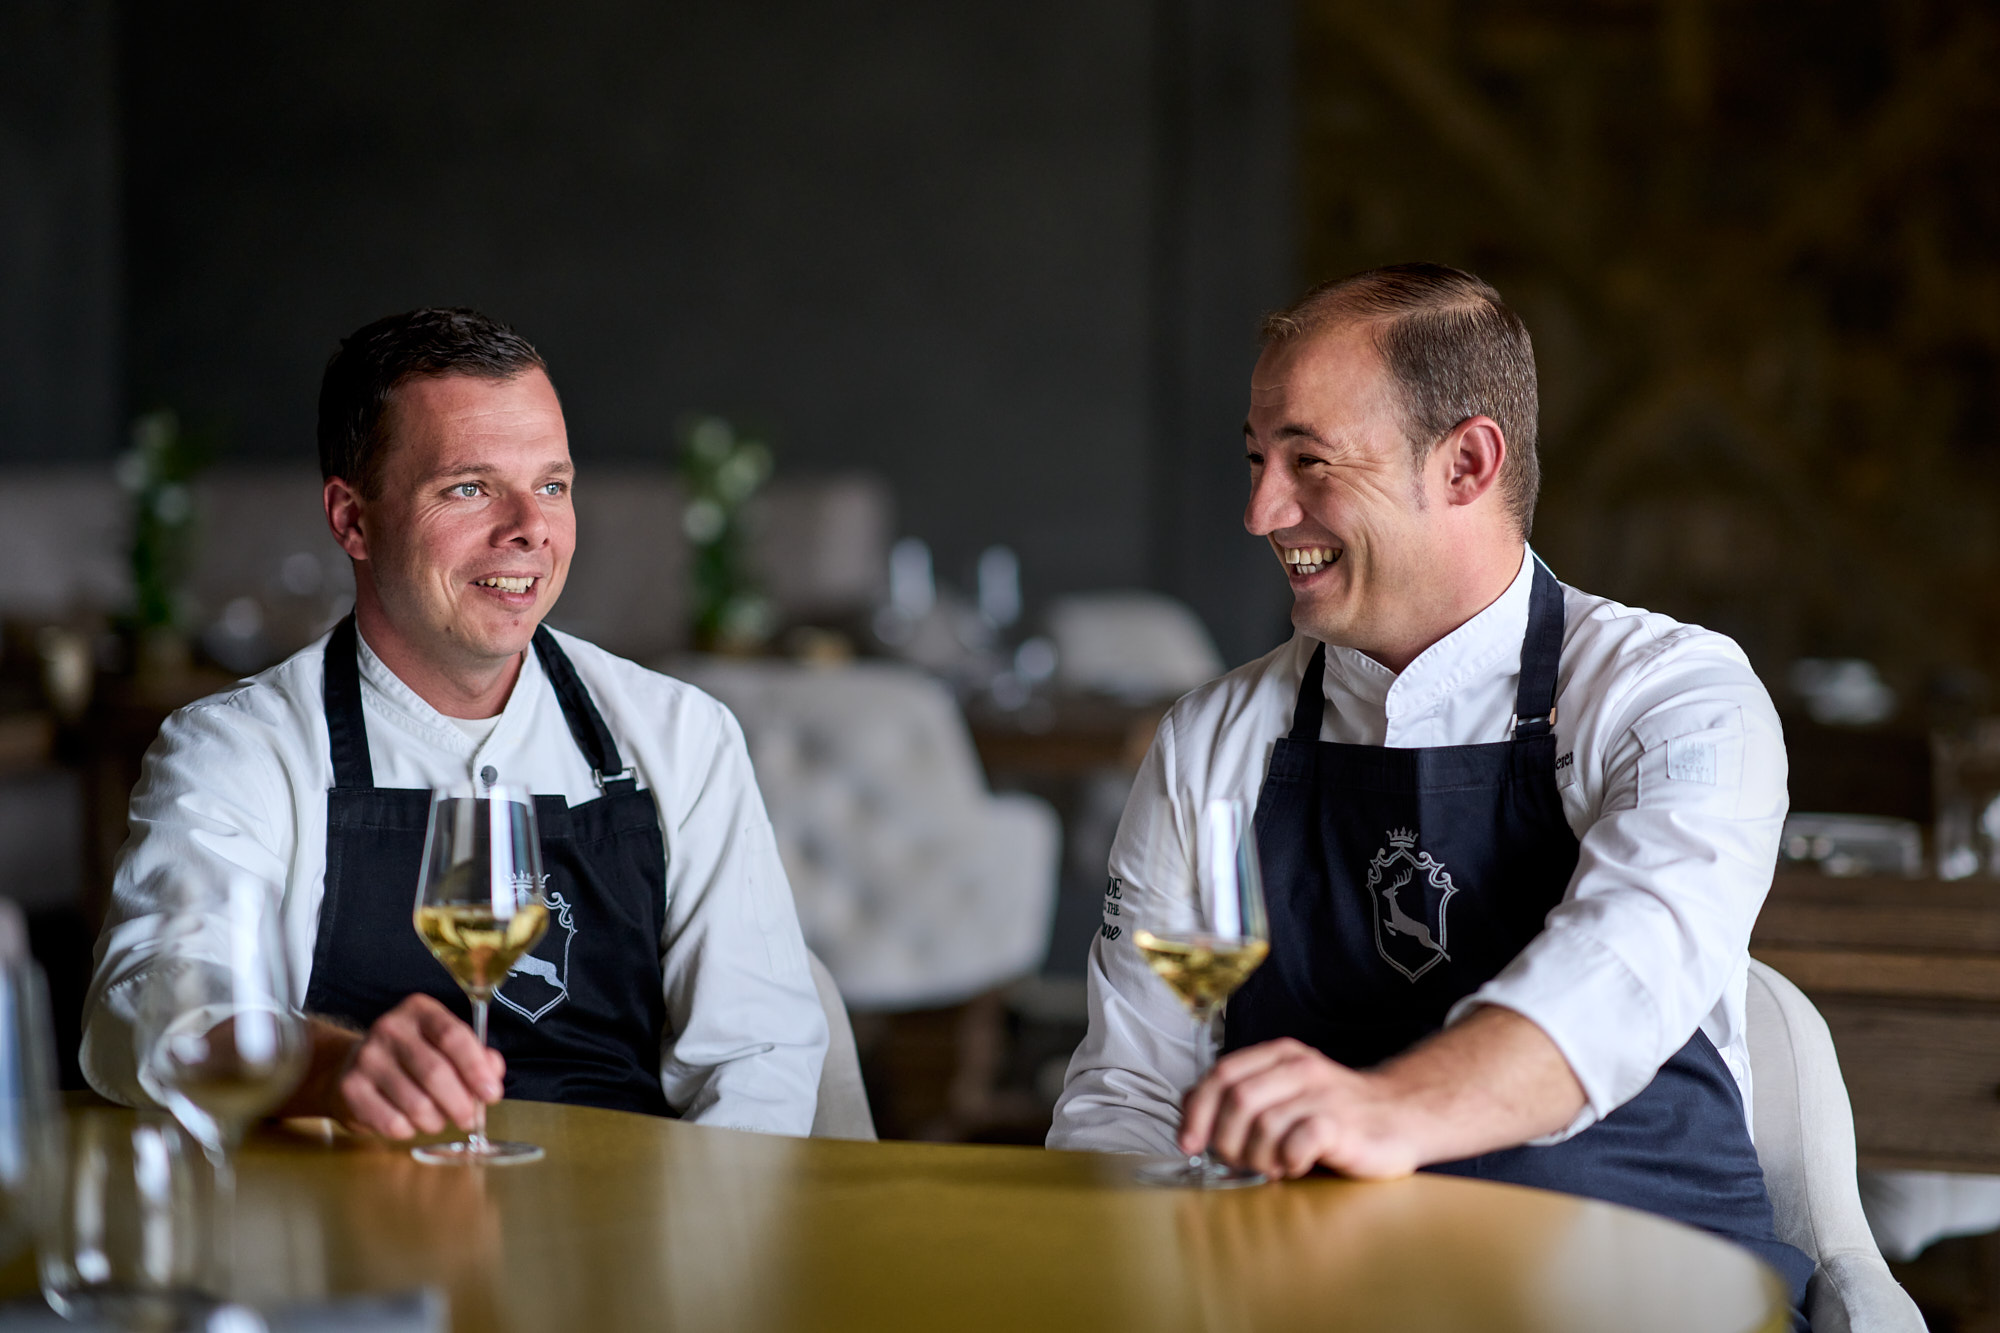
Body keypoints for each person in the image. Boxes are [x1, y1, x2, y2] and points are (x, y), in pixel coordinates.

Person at [1048, 264, 1814, 1306]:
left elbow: (1622, 975)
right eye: (1256, 459)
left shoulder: (1670, 695)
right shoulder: (1209, 740)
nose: (1261, 509)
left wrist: (1385, 1112)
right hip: (1308, 1295)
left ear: (1464, 463)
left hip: (1641, 1281)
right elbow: (1131, 1089)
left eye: (1309, 460)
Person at [83, 307, 827, 1138]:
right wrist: (324, 1067)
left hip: (636, 1202)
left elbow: (759, 1054)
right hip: (353, 1209)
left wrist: (705, 1219)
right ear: (352, 519)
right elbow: (143, 1003)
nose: (530, 528)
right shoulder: (240, 749)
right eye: (469, 488)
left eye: (552, 485)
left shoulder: (683, 736)